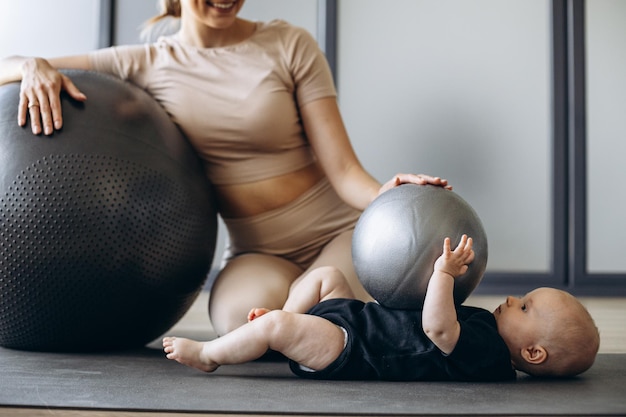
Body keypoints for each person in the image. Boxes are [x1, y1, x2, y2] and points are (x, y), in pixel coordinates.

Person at [0, 0, 452, 336]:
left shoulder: (289, 44)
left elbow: (343, 169)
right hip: (258, 251)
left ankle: (317, 317)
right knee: (239, 322)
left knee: (319, 311)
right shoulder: (146, 62)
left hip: (337, 233)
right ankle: (311, 321)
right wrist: (31, 65)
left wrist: (383, 194)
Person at [163, 234, 600, 381]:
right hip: (362, 320)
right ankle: (281, 334)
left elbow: (437, 328)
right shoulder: (488, 328)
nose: (510, 300)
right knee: (326, 278)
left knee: (275, 323)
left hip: (354, 348)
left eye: (523, 307)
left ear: (534, 354)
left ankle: (210, 354)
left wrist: (443, 275)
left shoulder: (487, 356)